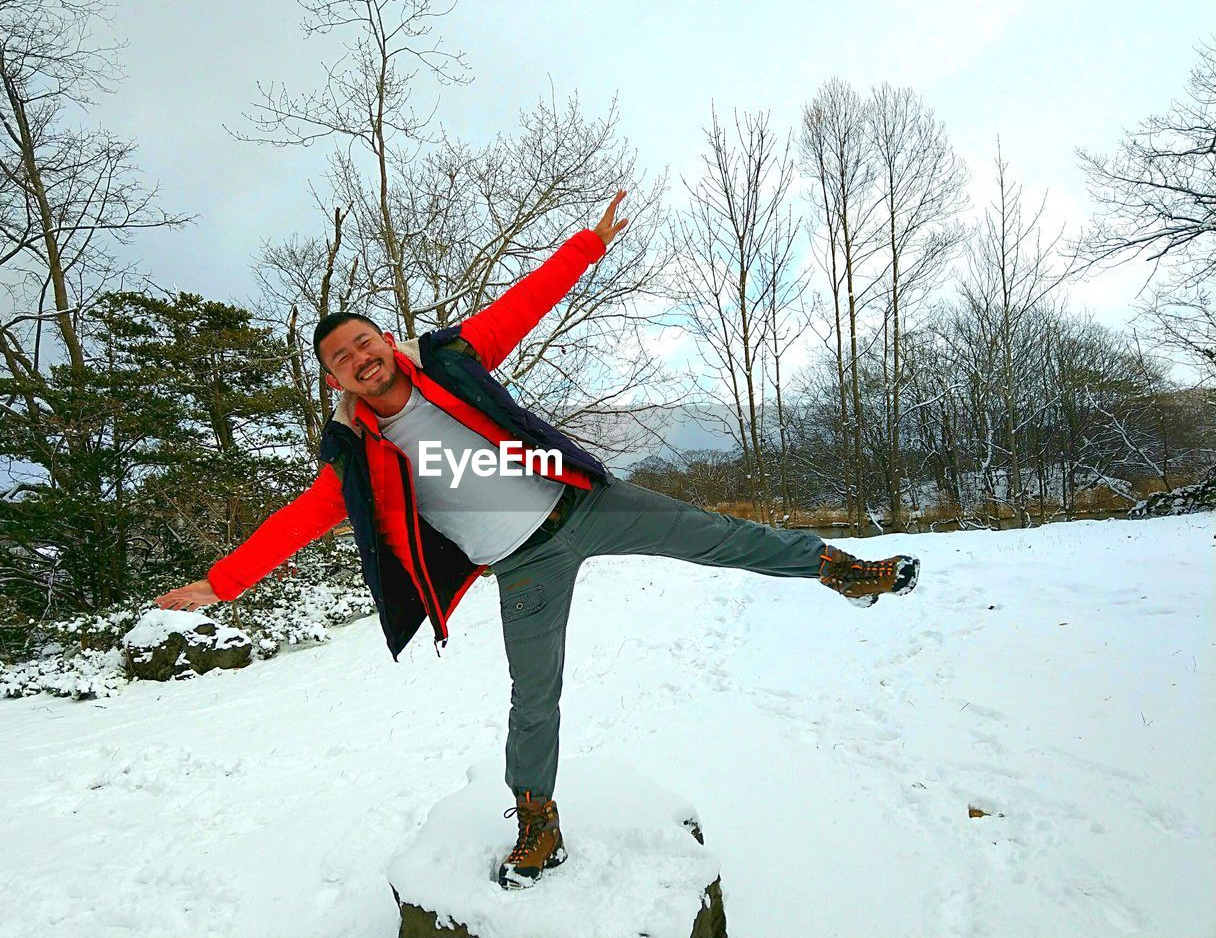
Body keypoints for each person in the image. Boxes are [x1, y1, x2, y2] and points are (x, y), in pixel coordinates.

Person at [154, 191, 920, 889]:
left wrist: (587, 245)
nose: (361, 357)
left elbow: (522, 306)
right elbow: (289, 524)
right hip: (522, 569)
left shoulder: (452, 360)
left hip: (582, 503)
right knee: (534, 697)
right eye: (342, 358)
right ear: (337, 381)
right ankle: (537, 825)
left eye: (365, 341)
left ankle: (841, 570)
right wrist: (220, 584)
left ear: (386, 338)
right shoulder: (354, 461)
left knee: (716, 535)